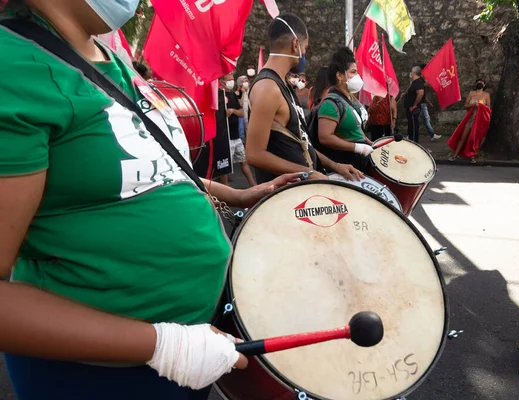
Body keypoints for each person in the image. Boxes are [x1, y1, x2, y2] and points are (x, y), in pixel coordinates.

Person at [0, 2, 304, 399]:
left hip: (194, 347)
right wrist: (163, 346)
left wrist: (237, 193)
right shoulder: (13, 68)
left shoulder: (111, 60)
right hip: (99, 374)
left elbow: (156, 168)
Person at [245, 13, 363, 184]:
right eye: (305, 48)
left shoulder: (283, 84)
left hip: (302, 190)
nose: (304, 54)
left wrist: (335, 166)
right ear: (295, 45)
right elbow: (255, 155)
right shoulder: (268, 88)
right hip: (285, 199)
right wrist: (307, 172)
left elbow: (303, 144)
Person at [316, 47, 372, 171]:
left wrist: (369, 142)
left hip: (359, 163)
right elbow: (325, 137)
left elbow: (356, 129)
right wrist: (357, 147)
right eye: (353, 72)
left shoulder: (352, 98)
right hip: (345, 165)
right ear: (340, 75)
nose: (357, 76)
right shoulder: (330, 104)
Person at [217, 73, 256, 187]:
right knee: (224, 166)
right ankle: (225, 189)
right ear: (222, 82)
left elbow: (242, 113)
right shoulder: (218, 95)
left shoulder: (233, 95)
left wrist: (233, 111)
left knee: (243, 161)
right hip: (225, 137)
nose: (231, 82)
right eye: (228, 80)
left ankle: (253, 184)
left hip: (236, 137)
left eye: (232, 79)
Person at [448, 78, 492, 163]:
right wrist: (473, 105)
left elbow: (488, 108)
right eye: (478, 82)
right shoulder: (471, 94)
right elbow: (465, 105)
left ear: (484, 85)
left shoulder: (486, 95)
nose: (479, 84)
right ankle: (455, 154)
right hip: (470, 118)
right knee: (463, 136)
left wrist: (481, 106)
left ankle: (471, 156)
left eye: (481, 83)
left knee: (473, 138)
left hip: (479, 120)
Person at [401, 66, 425, 143]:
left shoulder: (418, 82)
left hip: (413, 108)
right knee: (411, 125)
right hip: (410, 107)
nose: (411, 73)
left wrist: (414, 105)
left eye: (411, 71)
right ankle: (412, 140)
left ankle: (414, 142)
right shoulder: (414, 82)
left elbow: (420, 93)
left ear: (414, 73)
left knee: (414, 126)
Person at [418, 63, 441, 141]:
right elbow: (428, 85)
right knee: (426, 118)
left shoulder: (421, 79)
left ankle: (410, 133)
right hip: (420, 102)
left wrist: (428, 102)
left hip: (422, 102)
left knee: (420, 119)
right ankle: (432, 135)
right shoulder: (419, 79)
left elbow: (423, 93)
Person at [235, 75, 250, 142]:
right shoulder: (237, 93)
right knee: (241, 130)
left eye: (246, 81)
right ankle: (243, 142)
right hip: (242, 114)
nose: (245, 83)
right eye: (243, 82)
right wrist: (243, 93)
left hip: (250, 113)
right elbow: (240, 104)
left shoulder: (251, 90)